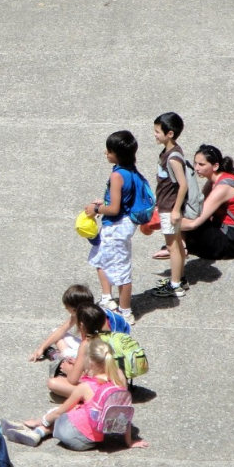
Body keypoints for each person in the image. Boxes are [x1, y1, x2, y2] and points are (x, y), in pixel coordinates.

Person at [4, 339, 149, 451]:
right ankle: (38, 432)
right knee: (85, 407)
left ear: (91, 362)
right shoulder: (120, 380)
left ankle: (38, 431)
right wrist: (129, 442)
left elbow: (61, 411)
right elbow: (124, 413)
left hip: (73, 437)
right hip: (95, 440)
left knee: (67, 410)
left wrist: (40, 420)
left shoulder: (85, 387)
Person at [84, 130, 144, 325]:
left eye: (109, 151)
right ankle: (107, 298)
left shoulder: (118, 175)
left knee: (121, 270)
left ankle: (125, 312)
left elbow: (114, 208)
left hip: (116, 227)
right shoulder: (130, 170)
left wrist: (95, 209)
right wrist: (103, 201)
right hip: (122, 224)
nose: (105, 153)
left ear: (118, 154)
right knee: (100, 257)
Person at [180, 145, 234, 260]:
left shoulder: (222, 188)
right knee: (184, 210)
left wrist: (167, 222)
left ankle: (181, 246)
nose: (196, 168)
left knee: (183, 217)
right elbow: (199, 206)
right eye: (195, 163)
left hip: (231, 244)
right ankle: (182, 245)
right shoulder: (218, 179)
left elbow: (194, 223)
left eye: (201, 164)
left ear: (215, 166)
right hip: (232, 235)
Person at [28, 284, 130, 366]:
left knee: (68, 355)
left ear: (75, 310)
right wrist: (42, 348)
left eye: (66, 307)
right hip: (92, 345)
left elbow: (103, 349)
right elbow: (62, 329)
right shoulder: (87, 312)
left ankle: (60, 356)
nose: (65, 309)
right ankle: (62, 356)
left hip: (105, 353)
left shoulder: (97, 320)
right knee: (56, 332)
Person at [150, 113, 191, 298]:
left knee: (172, 246)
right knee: (177, 244)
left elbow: (183, 185)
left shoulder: (173, 158)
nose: (155, 134)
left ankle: (175, 286)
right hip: (167, 206)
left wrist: (175, 210)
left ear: (170, 134)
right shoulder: (169, 152)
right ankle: (180, 278)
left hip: (170, 208)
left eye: (158, 131)